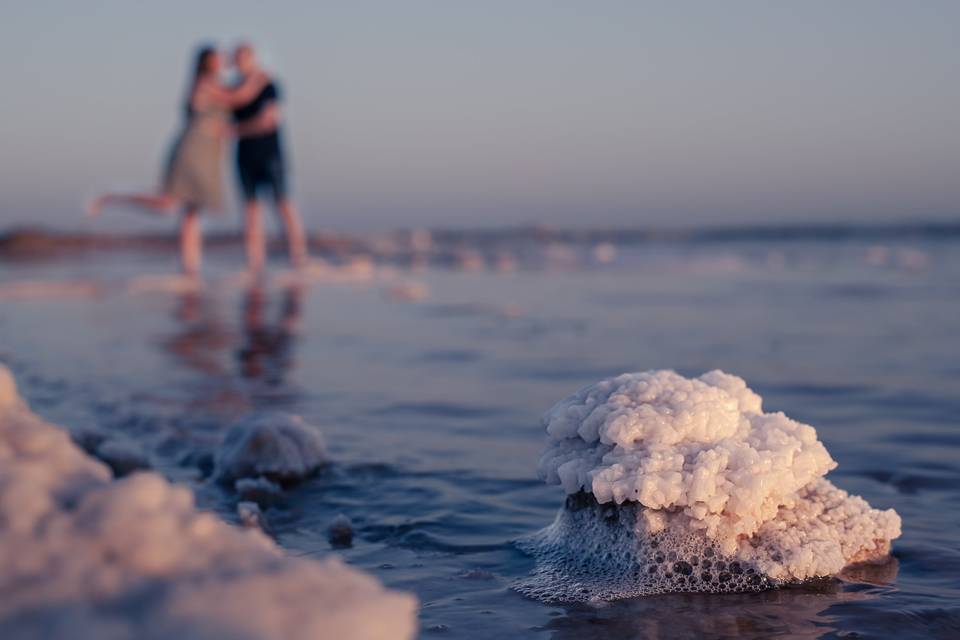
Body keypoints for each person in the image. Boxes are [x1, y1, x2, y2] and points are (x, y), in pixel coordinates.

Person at [88, 45, 268, 275]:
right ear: (207, 62)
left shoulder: (215, 82)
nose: (223, 61)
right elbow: (237, 98)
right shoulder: (205, 82)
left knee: (192, 211)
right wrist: (258, 78)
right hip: (193, 150)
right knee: (168, 203)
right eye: (218, 58)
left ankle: (190, 266)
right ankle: (112, 196)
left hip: (208, 153)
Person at [231, 43, 309, 272]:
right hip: (245, 155)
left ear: (253, 58)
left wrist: (235, 130)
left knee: (283, 203)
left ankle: (298, 256)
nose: (240, 62)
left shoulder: (268, 85)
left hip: (270, 153)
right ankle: (255, 262)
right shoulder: (236, 89)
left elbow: (270, 120)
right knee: (251, 209)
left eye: (244, 58)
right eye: (237, 58)